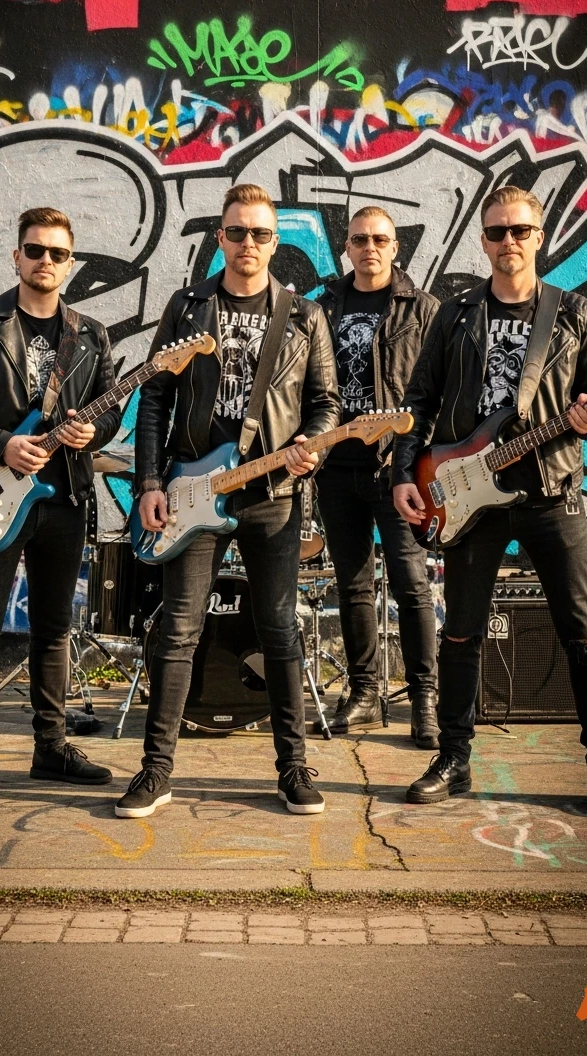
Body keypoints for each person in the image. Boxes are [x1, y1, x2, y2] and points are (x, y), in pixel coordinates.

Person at [392, 185, 587, 818]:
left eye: (519, 230)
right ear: (483, 239)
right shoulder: (457, 313)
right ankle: (454, 757)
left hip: (551, 491)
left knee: (582, 635)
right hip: (468, 494)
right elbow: (420, 397)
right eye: (496, 232)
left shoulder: (572, 313)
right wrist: (404, 474)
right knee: (462, 633)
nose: (508, 243)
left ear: (540, 233)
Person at [121, 183, 341, 818]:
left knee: (280, 631)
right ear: (220, 238)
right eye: (238, 232)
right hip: (192, 490)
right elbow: (154, 398)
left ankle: (292, 769)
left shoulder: (304, 315)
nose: (249, 243)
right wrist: (149, 484)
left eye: (261, 233)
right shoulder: (186, 306)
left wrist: (315, 444)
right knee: (179, 630)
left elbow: (325, 402)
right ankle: (155, 771)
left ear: (276, 242)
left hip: (273, 492)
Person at [0, 207, 120, 815]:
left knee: (54, 629)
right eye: (35, 250)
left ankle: (51, 747)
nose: (45, 262)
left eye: (58, 254)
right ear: (16, 257)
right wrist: (1, 442)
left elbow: (111, 408)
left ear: (70, 263)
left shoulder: (90, 335)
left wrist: (96, 431)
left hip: (62, 498)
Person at [316, 206, 440, 742]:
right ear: (347, 246)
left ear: (396, 247)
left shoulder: (424, 309)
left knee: (412, 587)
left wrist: (413, 459)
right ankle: (365, 692)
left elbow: (435, 392)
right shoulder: (322, 305)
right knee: (354, 585)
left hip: (398, 472)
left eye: (381, 239)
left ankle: (424, 699)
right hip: (337, 467)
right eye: (361, 239)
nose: (371, 248)